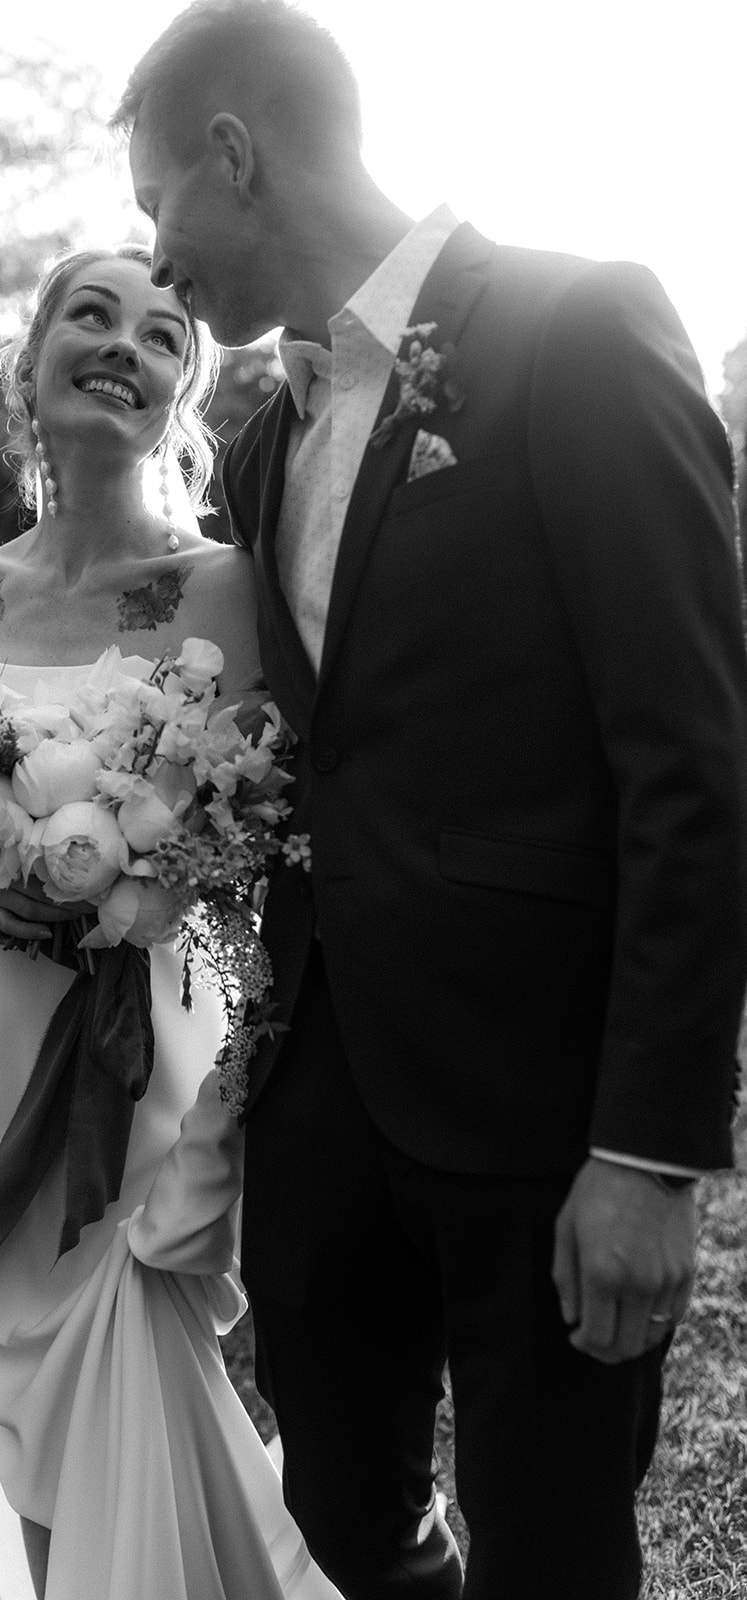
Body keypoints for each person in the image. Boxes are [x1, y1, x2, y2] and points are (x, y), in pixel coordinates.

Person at [113, 5, 747, 1598]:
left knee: (550, 1550)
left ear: (235, 155)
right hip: (321, 1103)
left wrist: (651, 1150)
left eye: (156, 204)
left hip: (541, 1109)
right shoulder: (263, 442)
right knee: (343, 1537)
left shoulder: (575, 327)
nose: (157, 257)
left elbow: (693, 756)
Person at [0, 242, 344, 1600]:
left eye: (166, 333)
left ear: (182, 393)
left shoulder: (224, 588)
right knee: (21, 1408)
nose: (127, 342)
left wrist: (150, 887)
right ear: (31, 363)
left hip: (151, 1054)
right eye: (92, 314)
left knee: (128, 1359)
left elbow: (259, 847)